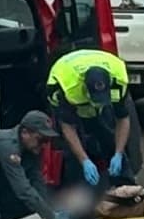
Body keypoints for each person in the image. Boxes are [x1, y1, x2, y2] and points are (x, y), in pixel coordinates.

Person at [45, 49, 134, 190]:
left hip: (99, 68)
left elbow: (123, 118)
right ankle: (77, 195)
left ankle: (125, 186)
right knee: (72, 152)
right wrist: (84, 160)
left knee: (109, 136)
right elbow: (68, 127)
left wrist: (118, 152)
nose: (97, 103)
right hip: (65, 86)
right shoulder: (68, 88)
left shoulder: (119, 79)